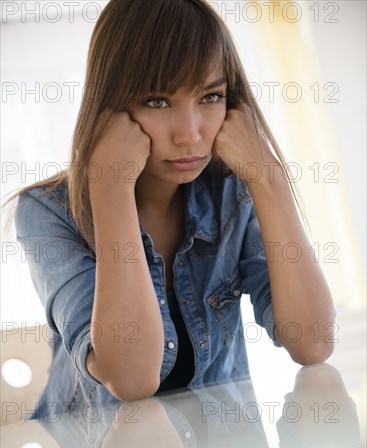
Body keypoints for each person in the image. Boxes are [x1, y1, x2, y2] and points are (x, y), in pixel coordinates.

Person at [10, 0, 335, 416]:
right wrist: (111, 188)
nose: (190, 134)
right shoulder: (48, 211)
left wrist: (268, 178)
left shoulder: (230, 194)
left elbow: (312, 341)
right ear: (109, 106)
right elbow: (131, 378)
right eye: (157, 101)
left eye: (211, 96)